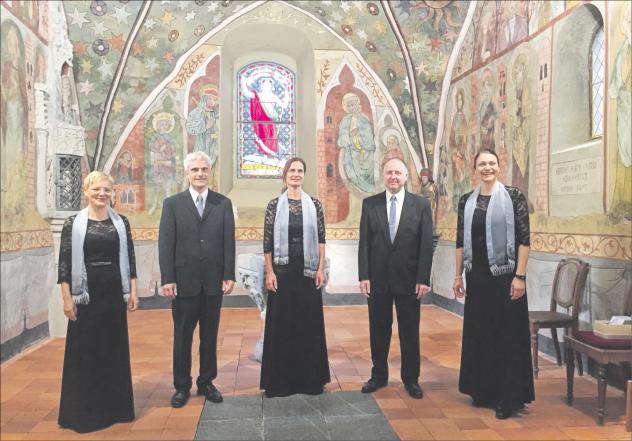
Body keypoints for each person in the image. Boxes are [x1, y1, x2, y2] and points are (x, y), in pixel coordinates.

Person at [453, 149, 534, 419]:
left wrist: (520, 276)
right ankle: (484, 390)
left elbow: (524, 239)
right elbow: (460, 242)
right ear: (474, 169)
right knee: (481, 334)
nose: (487, 168)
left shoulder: (513, 197)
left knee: (507, 336)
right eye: (482, 164)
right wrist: (457, 275)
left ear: (499, 167)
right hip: (477, 278)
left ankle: (508, 397)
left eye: (492, 163)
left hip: (506, 277)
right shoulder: (466, 201)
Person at [57, 171, 139, 433]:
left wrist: (133, 291)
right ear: (86, 192)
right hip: (86, 296)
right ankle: (84, 412)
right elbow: (64, 264)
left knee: (112, 349)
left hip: (113, 293)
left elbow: (130, 258)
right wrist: (67, 299)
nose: (102, 194)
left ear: (113, 192)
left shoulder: (121, 222)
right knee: (86, 352)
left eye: (106, 189)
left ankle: (115, 409)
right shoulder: (73, 223)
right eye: (96, 190)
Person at [158, 151, 236, 408]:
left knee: (210, 336)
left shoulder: (222, 203)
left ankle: (206, 382)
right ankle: (181, 386)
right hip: (183, 282)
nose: (200, 174)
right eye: (195, 170)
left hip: (213, 281)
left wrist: (228, 274)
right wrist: (168, 278)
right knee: (182, 337)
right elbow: (166, 243)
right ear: (186, 173)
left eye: (204, 169)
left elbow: (228, 242)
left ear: (209, 172)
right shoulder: (173, 204)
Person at [358, 157, 433, 399]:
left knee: (409, 331)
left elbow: (425, 245)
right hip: (378, 280)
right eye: (389, 172)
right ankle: (378, 375)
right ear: (384, 175)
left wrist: (423, 278)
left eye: (397, 173)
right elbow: (364, 243)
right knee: (378, 329)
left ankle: (411, 379)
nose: (393, 176)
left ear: (405, 176)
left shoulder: (420, 205)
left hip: (410, 280)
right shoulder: (370, 204)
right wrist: (364, 276)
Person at [260, 157, 330, 397]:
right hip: (282, 272)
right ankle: (280, 383)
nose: (296, 174)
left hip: (308, 273)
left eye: (300, 170)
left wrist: (320, 268)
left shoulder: (315, 205)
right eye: (292, 170)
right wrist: (269, 271)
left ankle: (309, 381)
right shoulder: (273, 205)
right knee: (282, 325)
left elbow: (321, 239)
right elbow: (267, 242)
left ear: (304, 175)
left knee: (308, 326)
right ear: (285, 175)